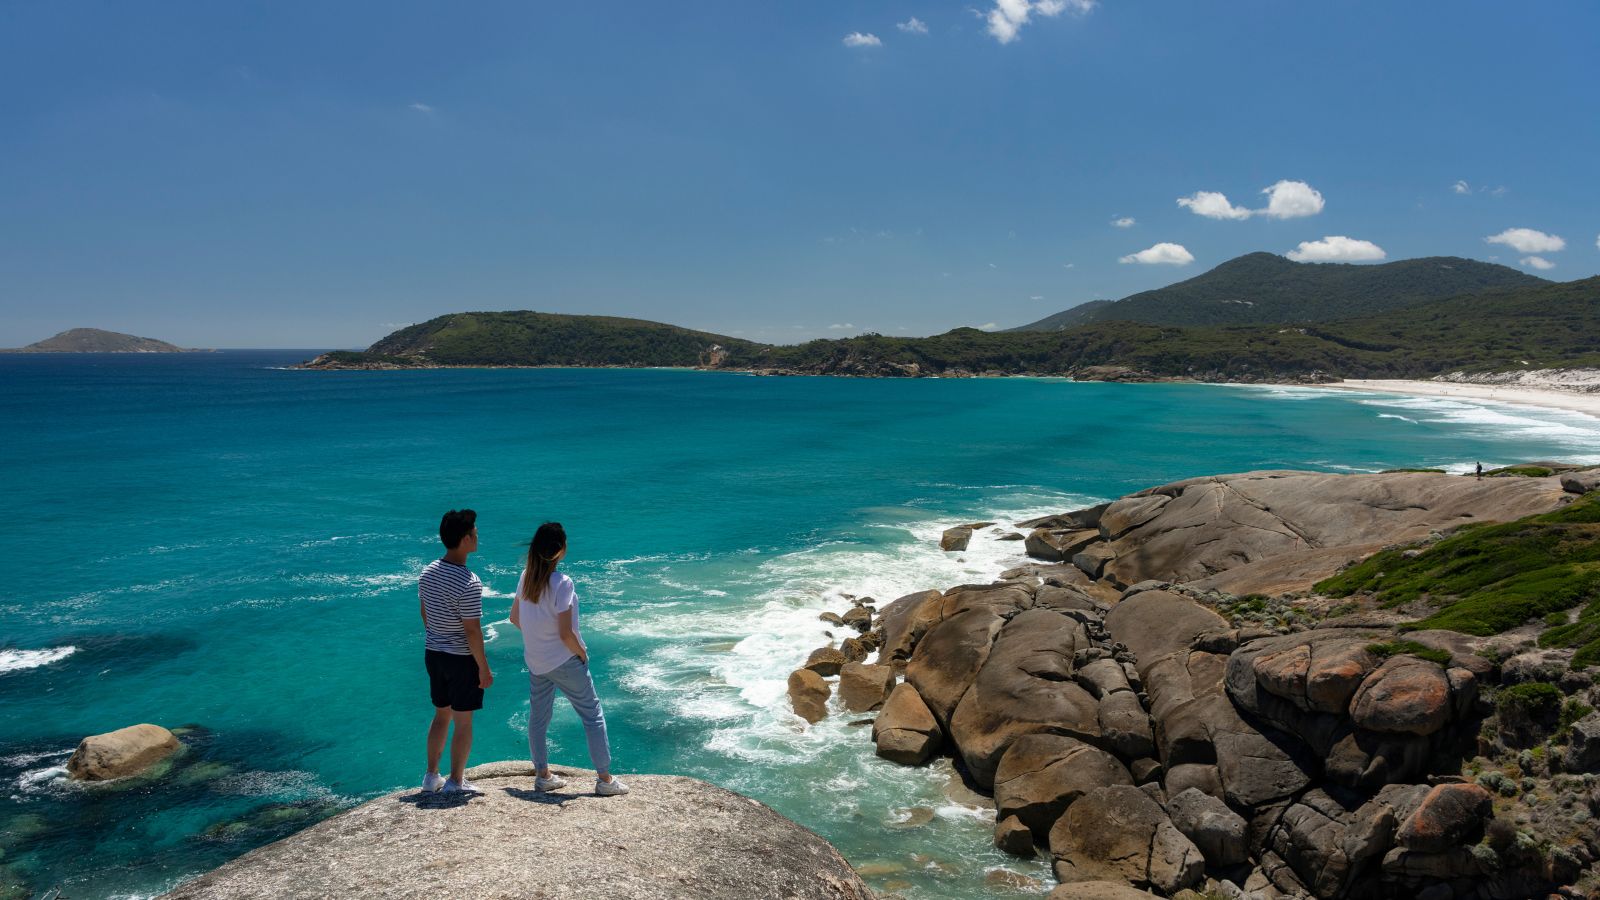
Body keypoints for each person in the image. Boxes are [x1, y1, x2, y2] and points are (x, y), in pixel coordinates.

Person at [510, 521, 628, 796]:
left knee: (538, 719)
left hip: (536, 661)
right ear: (560, 550)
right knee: (592, 715)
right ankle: (605, 780)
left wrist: (539, 638)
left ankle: (543, 775)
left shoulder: (526, 576)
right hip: (564, 660)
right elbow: (565, 633)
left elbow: (515, 617)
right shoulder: (562, 583)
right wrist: (581, 652)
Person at [420, 509, 492, 794]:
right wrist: (483, 667)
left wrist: (438, 636)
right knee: (463, 721)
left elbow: (425, 613)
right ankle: (456, 781)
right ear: (465, 539)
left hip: (433, 653)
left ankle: (430, 776)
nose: (477, 536)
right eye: (474, 532)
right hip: (461, 658)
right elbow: (472, 631)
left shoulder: (427, 572)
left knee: (441, 715)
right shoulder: (469, 582)